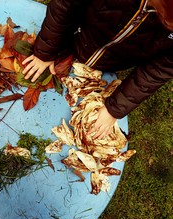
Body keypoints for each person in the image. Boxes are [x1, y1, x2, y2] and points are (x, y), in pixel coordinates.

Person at [22, 0, 173, 139]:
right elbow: (64, 5)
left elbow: (159, 70)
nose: (168, 26)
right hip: (79, 33)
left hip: (115, 61)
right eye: (166, 21)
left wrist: (115, 108)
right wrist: (46, 51)